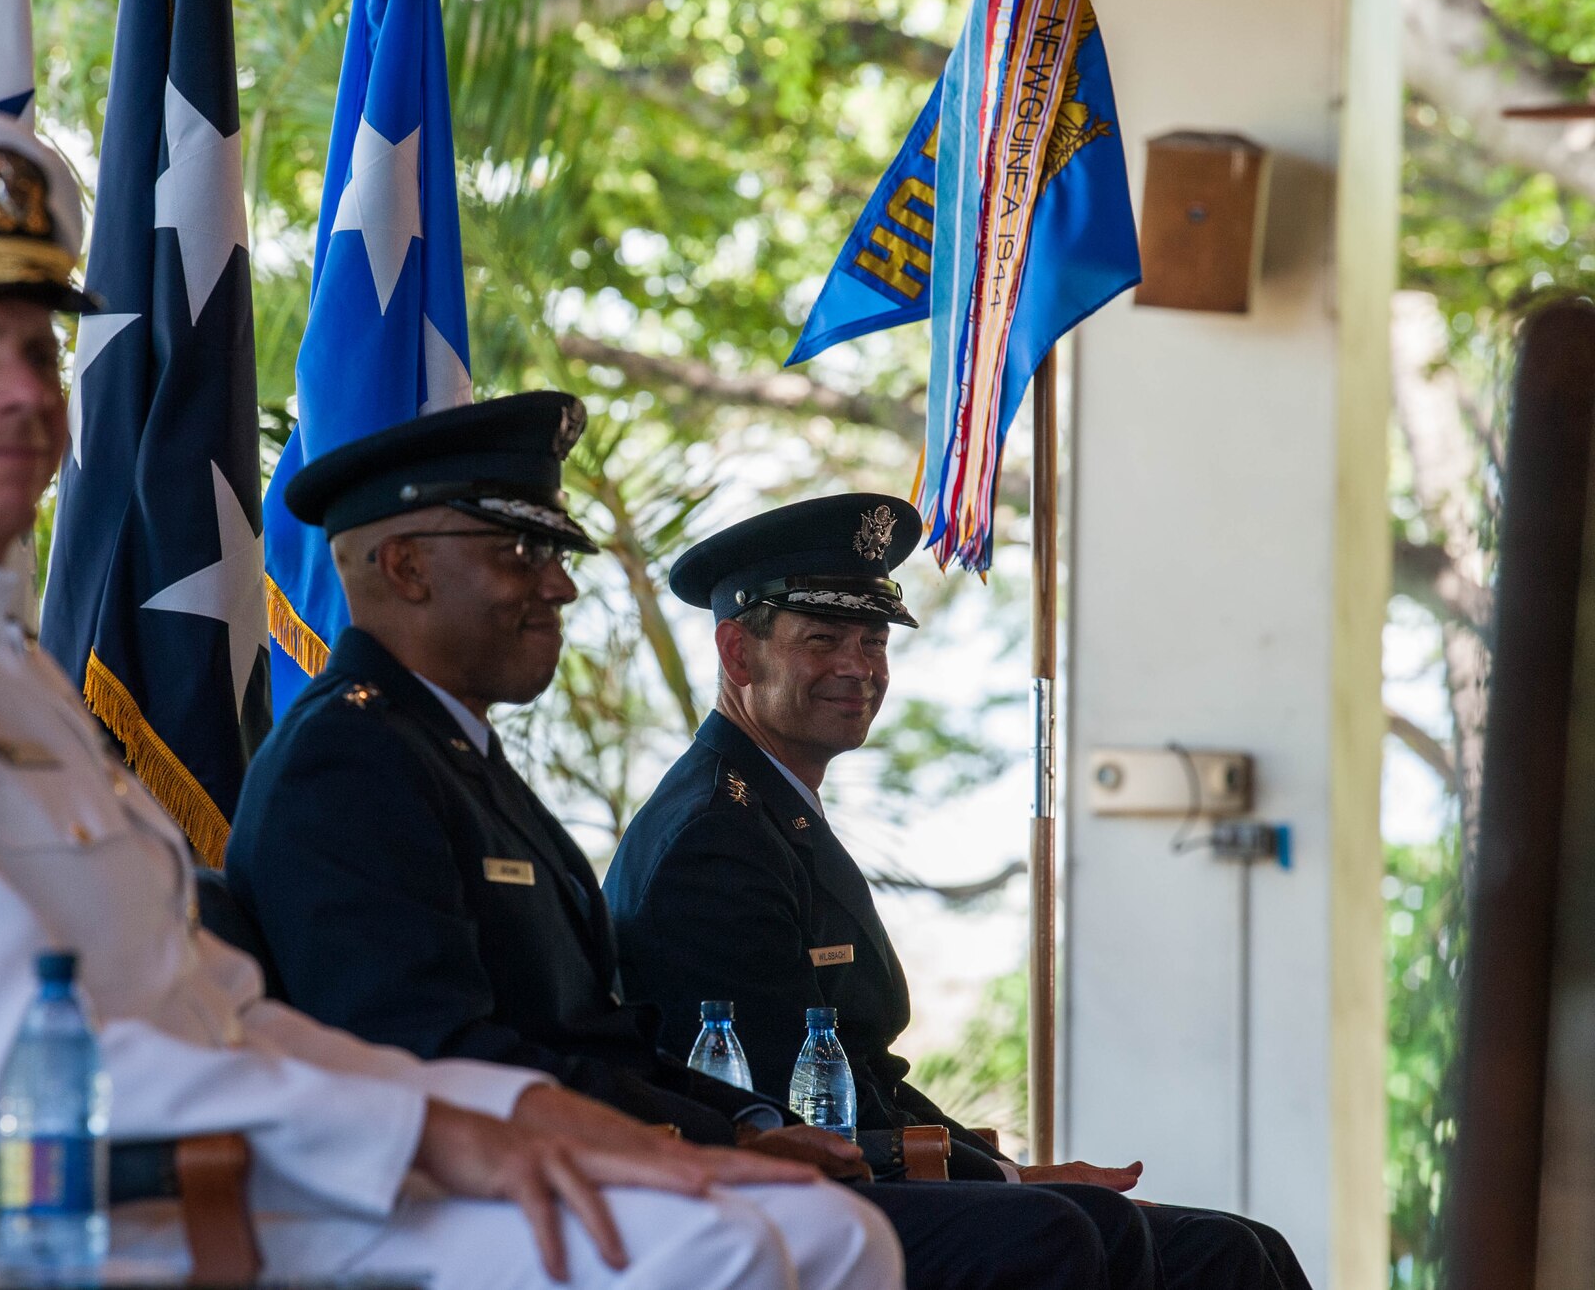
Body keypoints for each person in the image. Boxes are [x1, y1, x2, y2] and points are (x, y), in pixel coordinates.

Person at [0, 109, 906, 1290]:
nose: (24, 392)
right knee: (735, 1251)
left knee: (825, 1232)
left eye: (36, 351)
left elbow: (221, 1007)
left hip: (229, 1173)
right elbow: (19, 1065)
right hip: (68, 1224)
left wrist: (507, 1108)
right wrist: (425, 1130)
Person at [222, 402, 1170, 1290]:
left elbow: (607, 1038)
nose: (559, 583)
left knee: (1125, 1233)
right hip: (459, 1189)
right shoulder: (348, 760)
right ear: (405, 568)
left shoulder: (450, 755)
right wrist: (698, 1143)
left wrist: (749, 1124)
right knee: (1044, 1235)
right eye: (520, 552)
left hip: (568, 1161)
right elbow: (439, 1054)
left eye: (555, 555)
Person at [603, 493, 1314, 1290]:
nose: (859, 667)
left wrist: (1010, 1167)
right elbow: (792, 1106)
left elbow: (867, 1071)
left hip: (867, 1168)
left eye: (874, 641)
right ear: (739, 652)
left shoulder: (769, 810)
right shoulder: (714, 835)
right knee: (1081, 1230)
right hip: (773, 1195)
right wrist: (1007, 1182)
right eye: (823, 639)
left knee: (1245, 1251)